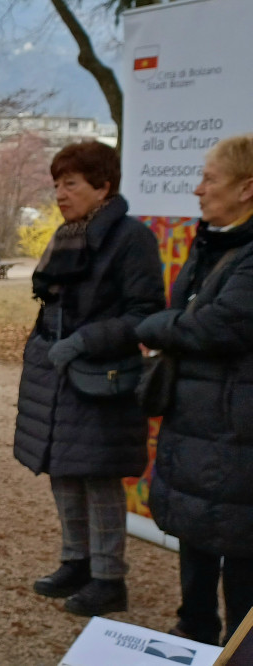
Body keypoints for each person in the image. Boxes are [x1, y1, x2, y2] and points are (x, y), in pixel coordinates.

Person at [13, 141, 164, 617]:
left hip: (102, 376)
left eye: (71, 183)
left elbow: (146, 313)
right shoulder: (68, 234)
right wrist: (42, 341)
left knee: (97, 478)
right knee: (63, 471)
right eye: (57, 183)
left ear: (104, 186)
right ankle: (75, 562)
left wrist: (85, 341)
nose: (60, 193)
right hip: (59, 374)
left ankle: (108, 578)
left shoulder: (131, 237)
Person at [136, 134, 253, 646]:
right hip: (199, 423)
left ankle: (239, 648)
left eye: (209, 178)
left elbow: (216, 327)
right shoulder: (214, 243)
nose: (197, 189)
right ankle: (195, 630)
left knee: (242, 545)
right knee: (196, 529)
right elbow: (187, 315)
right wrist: (174, 323)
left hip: (237, 432)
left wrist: (159, 327)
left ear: (248, 188)